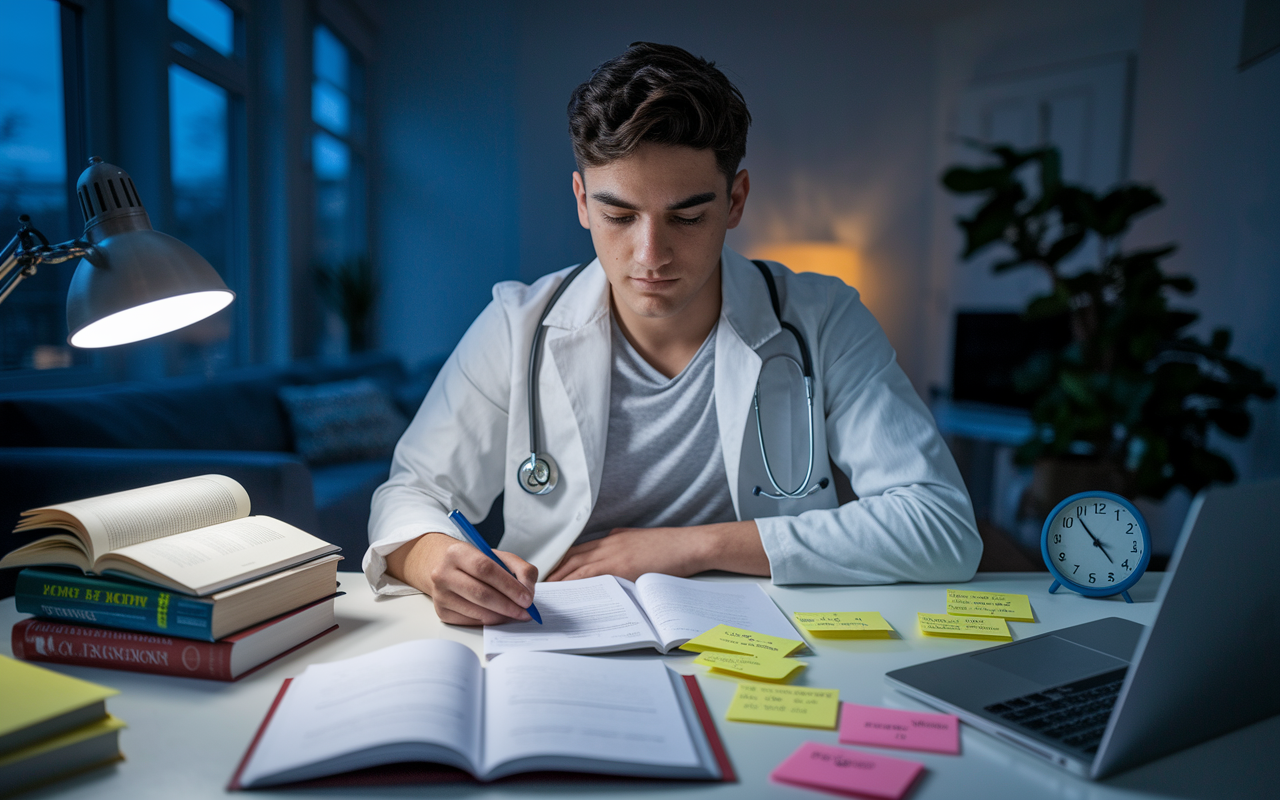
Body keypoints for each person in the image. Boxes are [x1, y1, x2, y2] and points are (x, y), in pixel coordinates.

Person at [365, 42, 981, 625]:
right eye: (619, 216)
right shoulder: (516, 326)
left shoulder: (822, 317)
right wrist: (431, 561)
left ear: (736, 200)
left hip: (769, 642)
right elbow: (412, 492)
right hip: (556, 634)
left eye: (687, 216)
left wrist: (691, 547)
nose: (650, 254)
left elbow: (942, 526)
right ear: (581, 201)